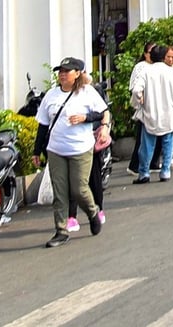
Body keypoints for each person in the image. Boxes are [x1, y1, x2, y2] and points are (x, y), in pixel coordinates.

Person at [35, 57, 107, 247]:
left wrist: (85, 117)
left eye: (67, 71)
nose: (62, 74)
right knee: (60, 192)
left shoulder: (87, 92)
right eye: (60, 71)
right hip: (56, 149)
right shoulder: (51, 95)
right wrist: (36, 151)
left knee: (79, 189)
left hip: (80, 148)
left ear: (77, 74)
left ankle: (92, 212)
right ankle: (61, 230)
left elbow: (102, 112)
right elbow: (43, 125)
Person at [63, 69, 113, 234]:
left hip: (90, 140)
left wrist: (102, 127)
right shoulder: (61, 94)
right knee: (72, 182)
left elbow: (103, 113)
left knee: (93, 178)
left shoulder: (92, 91)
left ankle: (98, 208)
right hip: (69, 143)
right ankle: (71, 216)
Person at [129, 43, 173, 182]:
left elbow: (136, 90)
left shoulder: (146, 71)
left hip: (150, 113)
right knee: (168, 143)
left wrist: (138, 102)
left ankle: (144, 173)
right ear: (164, 57)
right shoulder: (171, 72)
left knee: (147, 145)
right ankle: (165, 171)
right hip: (168, 113)